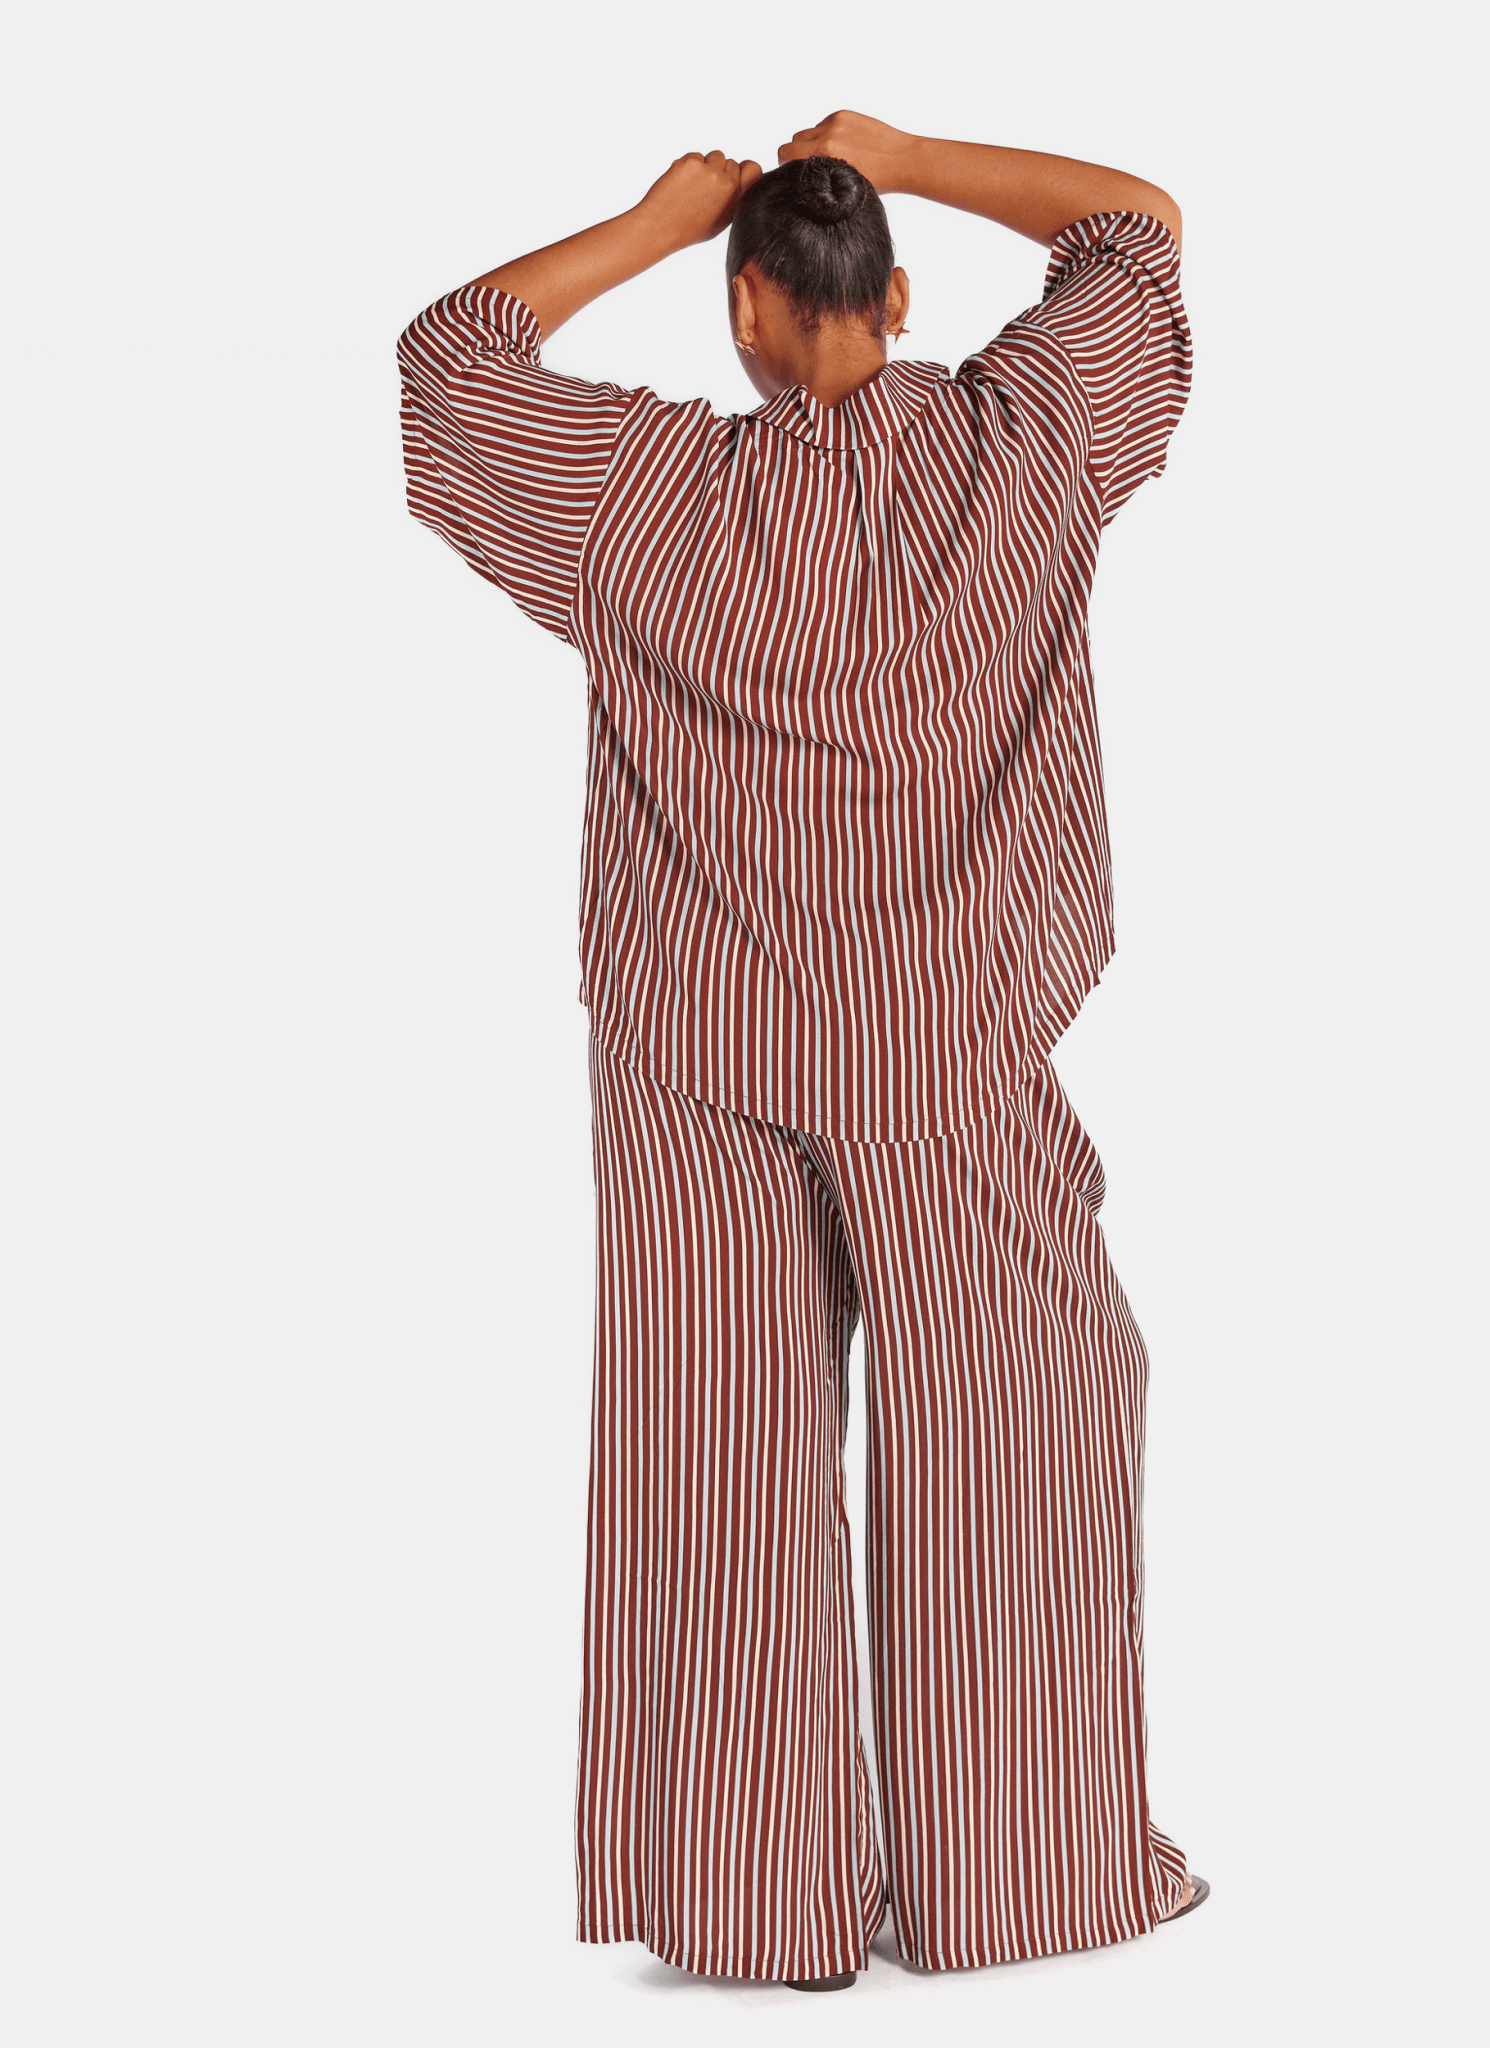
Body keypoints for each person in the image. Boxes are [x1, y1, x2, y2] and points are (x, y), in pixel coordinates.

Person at [397, 109, 1203, 1992]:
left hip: (702, 1042)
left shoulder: (645, 496)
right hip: (949, 1036)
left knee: (715, 1461)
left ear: (748, 312)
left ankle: (759, 1904)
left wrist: (652, 220)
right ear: (896, 302)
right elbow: (1134, 229)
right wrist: (900, 155)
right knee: (1016, 1428)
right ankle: (1025, 1874)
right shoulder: (1026, 445)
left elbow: (447, 364)